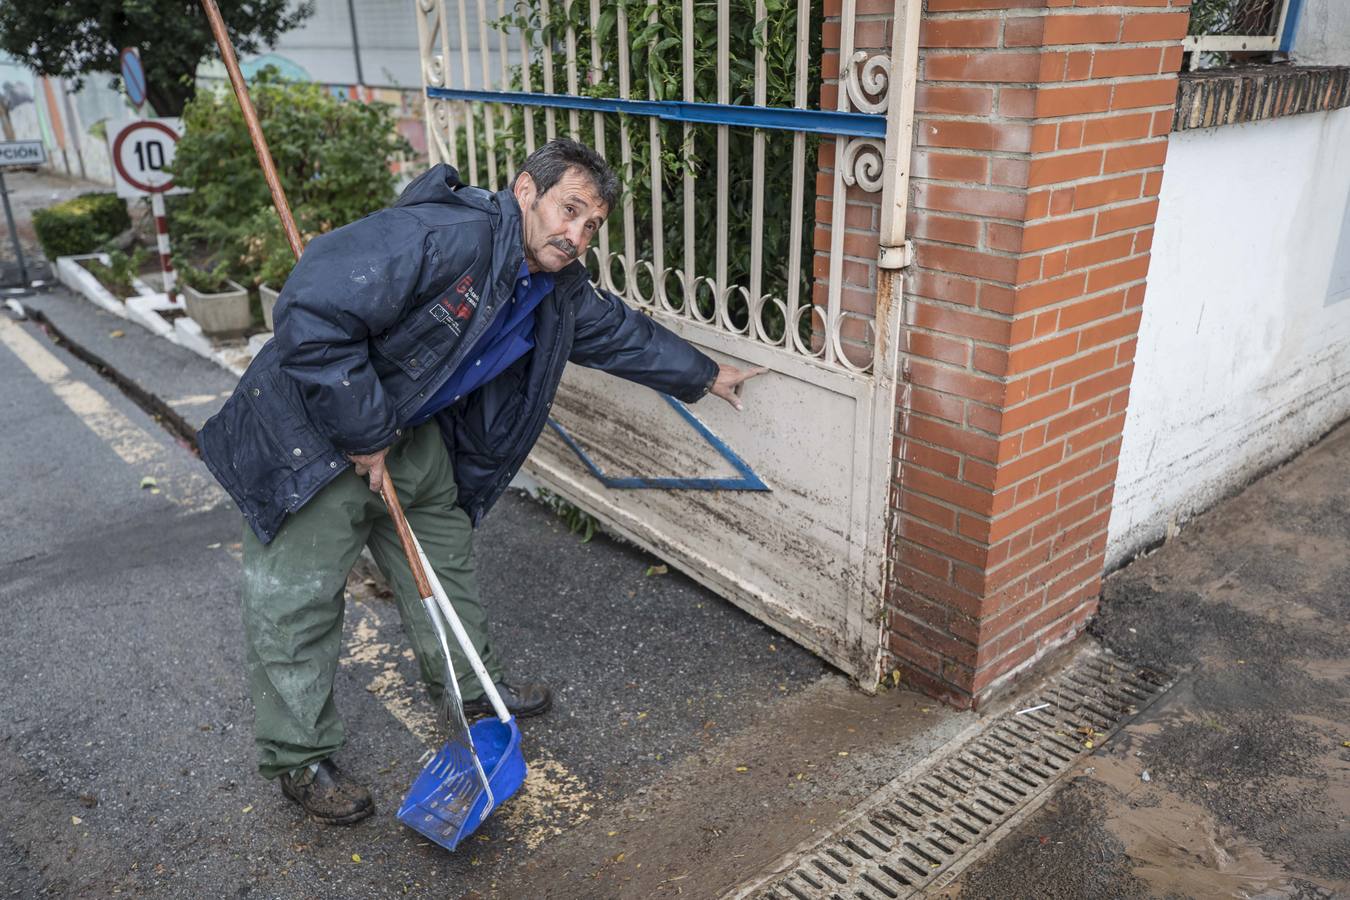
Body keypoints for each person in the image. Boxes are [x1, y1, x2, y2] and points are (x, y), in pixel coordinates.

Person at [198, 139, 765, 825]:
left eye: (592, 226)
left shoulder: (553, 286)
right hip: (316, 435)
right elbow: (313, 315)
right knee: (295, 603)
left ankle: (471, 690)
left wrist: (706, 375)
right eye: (570, 210)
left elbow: (619, 334)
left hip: (410, 437)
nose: (577, 234)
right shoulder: (443, 235)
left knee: (444, 566)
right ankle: (299, 758)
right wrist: (365, 431)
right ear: (526, 190)